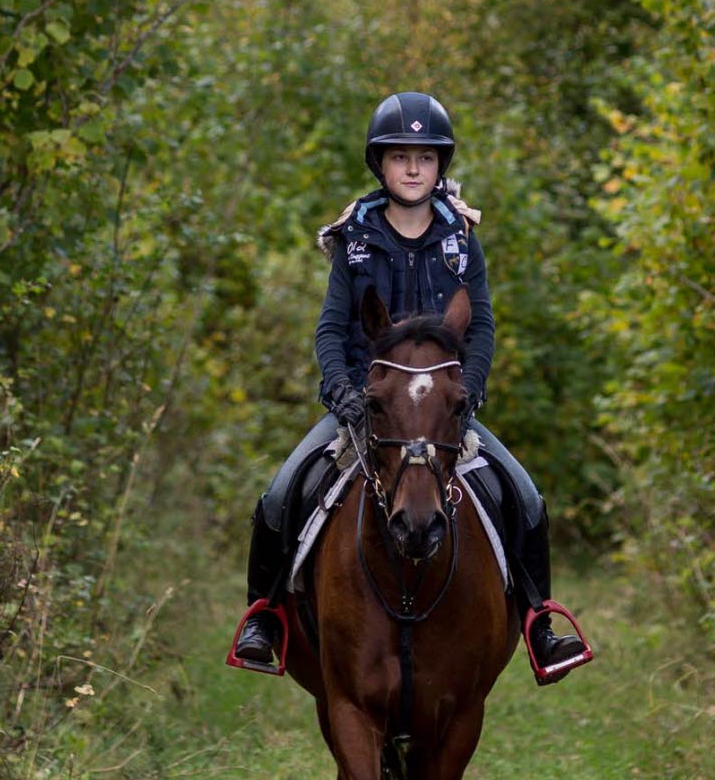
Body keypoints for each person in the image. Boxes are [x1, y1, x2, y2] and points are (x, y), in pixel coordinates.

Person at [229, 90, 592, 680]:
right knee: (279, 493)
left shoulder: (461, 239)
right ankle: (263, 617)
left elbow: (483, 327)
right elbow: (329, 330)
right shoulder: (356, 238)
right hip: (367, 408)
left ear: (440, 165)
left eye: (425, 156)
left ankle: (539, 624)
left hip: (444, 412)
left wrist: (468, 392)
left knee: (525, 497)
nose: (414, 168)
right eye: (401, 157)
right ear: (381, 165)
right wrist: (345, 395)